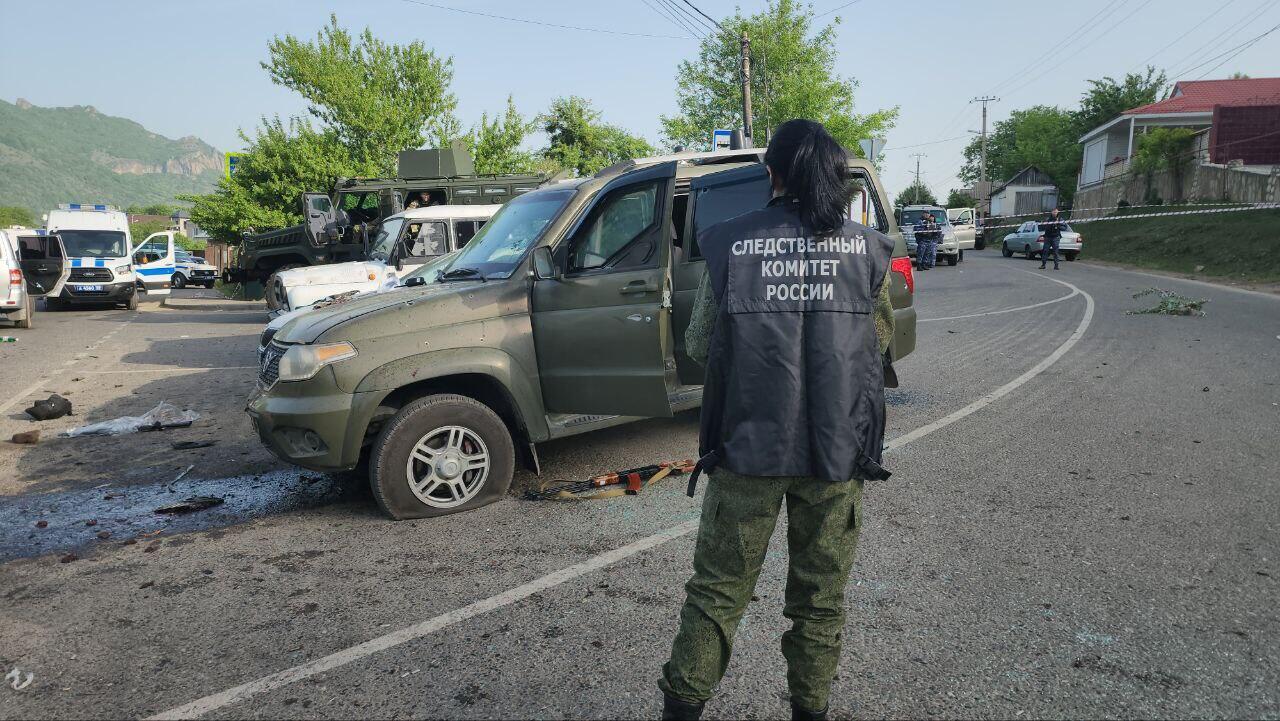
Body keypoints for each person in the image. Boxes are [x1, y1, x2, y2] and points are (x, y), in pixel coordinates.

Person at [659, 119, 897, 721]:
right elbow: (880, 339)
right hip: (835, 452)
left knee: (716, 595)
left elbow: (699, 341)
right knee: (819, 603)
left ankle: (684, 708)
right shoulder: (865, 249)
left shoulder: (733, 242)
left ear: (773, 172)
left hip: (747, 449)